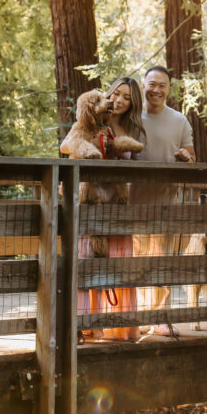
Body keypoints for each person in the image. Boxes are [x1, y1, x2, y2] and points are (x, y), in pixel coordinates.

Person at [60, 77, 145, 342]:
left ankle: (118, 324)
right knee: (86, 258)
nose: (118, 100)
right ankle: (83, 325)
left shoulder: (131, 128)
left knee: (117, 262)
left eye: (126, 97)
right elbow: (67, 145)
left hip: (116, 201)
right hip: (90, 199)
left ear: (132, 103)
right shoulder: (88, 122)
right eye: (115, 94)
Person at [130, 65, 195, 321]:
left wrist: (185, 157)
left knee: (162, 263)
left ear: (168, 89)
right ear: (143, 85)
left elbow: (191, 155)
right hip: (133, 204)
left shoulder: (179, 120)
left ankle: (161, 319)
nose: (156, 89)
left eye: (162, 85)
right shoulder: (131, 118)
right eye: (152, 84)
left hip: (167, 203)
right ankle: (138, 317)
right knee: (137, 263)